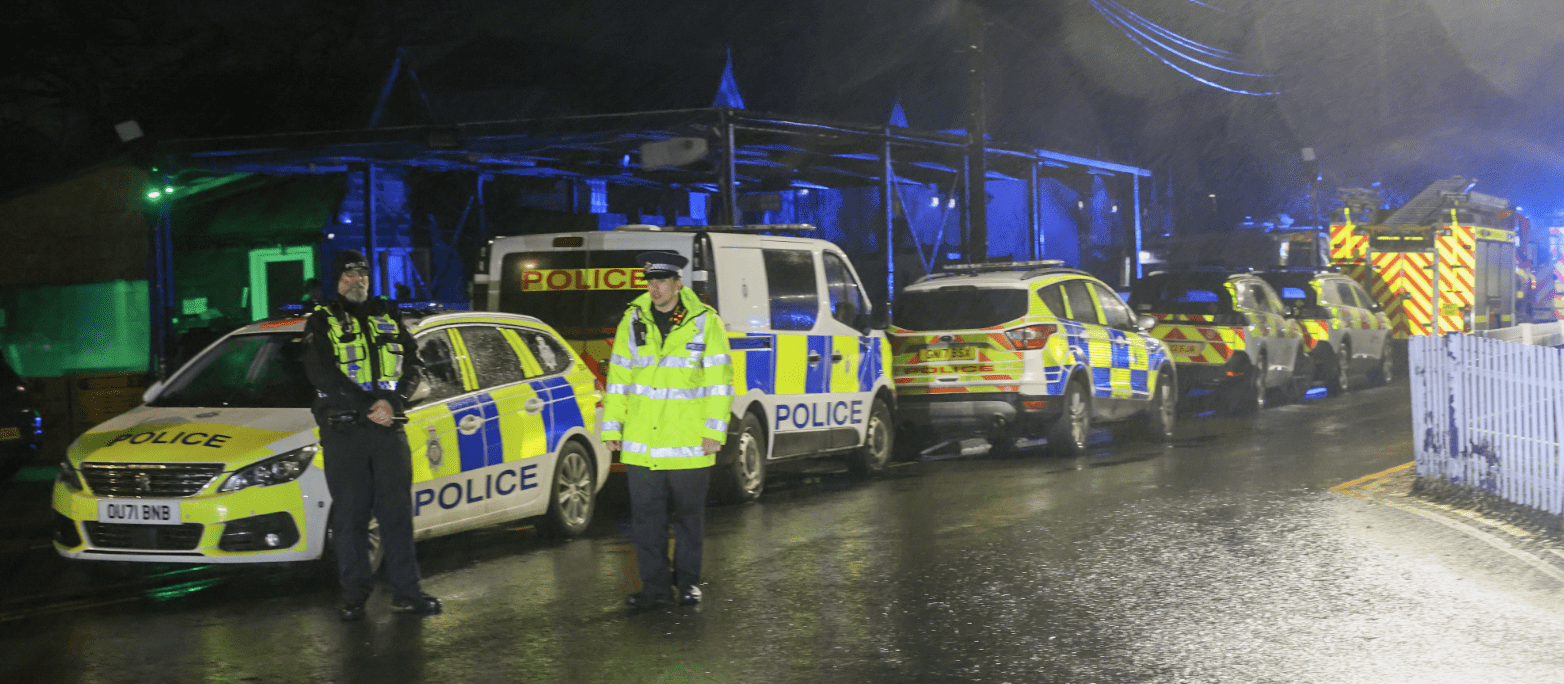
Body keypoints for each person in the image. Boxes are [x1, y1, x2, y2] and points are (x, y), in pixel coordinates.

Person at [302, 250, 441, 621]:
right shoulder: (321, 321)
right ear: (336, 282)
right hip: (347, 433)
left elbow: (414, 363)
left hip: (388, 429)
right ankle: (354, 598)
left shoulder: (388, 314)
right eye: (347, 275)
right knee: (351, 519)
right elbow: (322, 374)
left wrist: (393, 402)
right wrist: (369, 406)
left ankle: (407, 592)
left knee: (396, 515)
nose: (356, 280)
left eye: (361, 273)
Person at [602, 251, 734, 609]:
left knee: (689, 520)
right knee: (646, 521)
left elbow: (719, 383)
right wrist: (612, 427)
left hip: (689, 442)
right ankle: (655, 589)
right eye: (650, 282)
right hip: (642, 443)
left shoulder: (705, 322)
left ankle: (689, 584)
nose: (655, 288)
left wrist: (714, 432)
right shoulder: (633, 319)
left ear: (679, 284)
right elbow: (619, 379)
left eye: (662, 281)